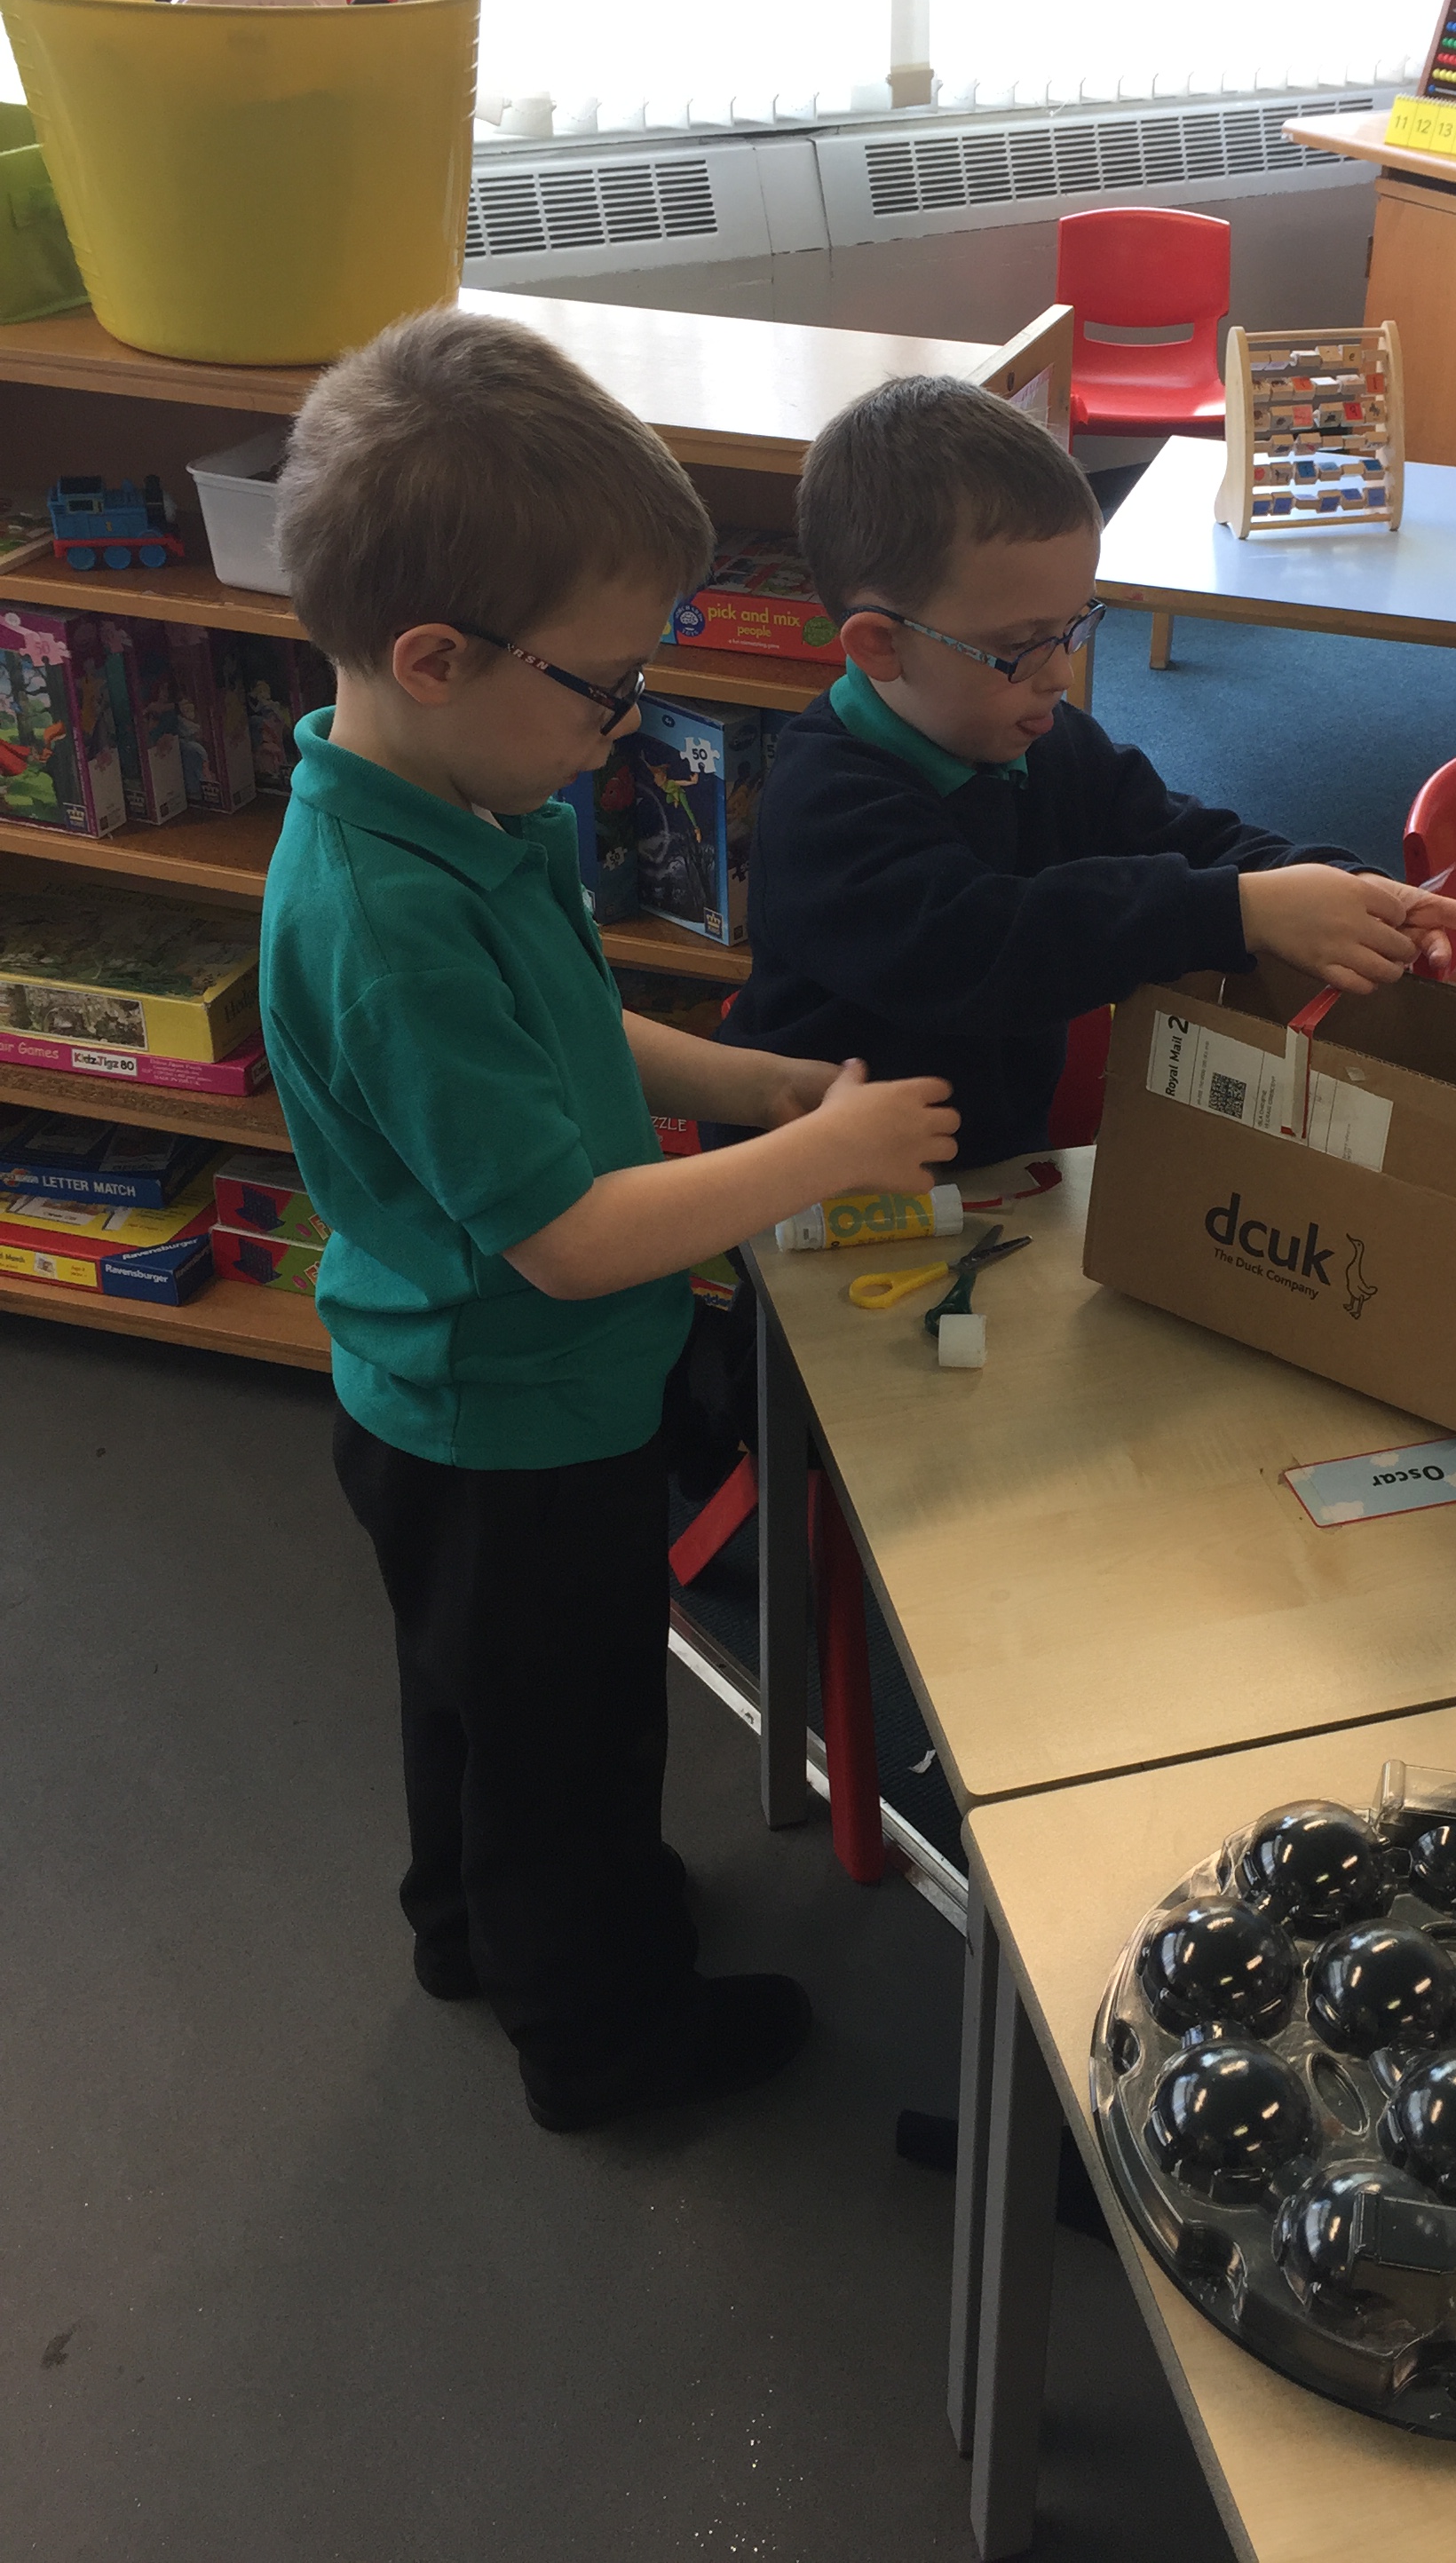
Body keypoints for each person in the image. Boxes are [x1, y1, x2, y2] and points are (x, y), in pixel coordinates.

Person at [260, 310, 957, 2132]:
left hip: (457, 1396)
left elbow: (571, 1024)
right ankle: (603, 2040)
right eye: (603, 686)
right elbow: (566, 1238)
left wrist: (756, 1091)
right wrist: (825, 1155)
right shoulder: (385, 910)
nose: (624, 721)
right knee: (569, 1742)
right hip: (512, 1413)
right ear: (432, 652)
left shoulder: (461, 802)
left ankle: (467, 1927)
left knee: (470, 1705)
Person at [718, 376, 1456, 1166]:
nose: (1059, 675)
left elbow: (1180, 833)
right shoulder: (826, 806)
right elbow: (988, 948)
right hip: (813, 1188)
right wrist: (1237, 911)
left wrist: (1346, 891)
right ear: (881, 647)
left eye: (1075, 627)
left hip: (993, 1157)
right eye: (1021, 645)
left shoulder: (1036, 738)